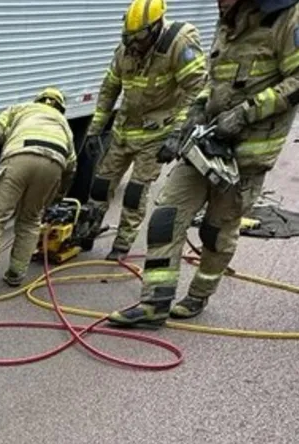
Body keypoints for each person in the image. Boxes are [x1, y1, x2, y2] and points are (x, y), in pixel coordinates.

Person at [109, 0, 299, 327]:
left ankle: (198, 295)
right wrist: (195, 113)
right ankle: (154, 304)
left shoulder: (287, 17)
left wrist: (245, 113)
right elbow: (214, 82)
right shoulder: (228, 21)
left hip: (247, 154)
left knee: (216, 231)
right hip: (206, 145)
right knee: (166, 215)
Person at [83, 0, 207, 261]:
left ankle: (122, 245)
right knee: (101, 184)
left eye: (139, 39)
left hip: (156, 135)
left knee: (135, 192)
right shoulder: (126, 49)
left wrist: (177, 134)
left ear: (155, 28)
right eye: (130, 39)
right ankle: (86, 231)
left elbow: (197, 89)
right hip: (124, 130)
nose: (134, 46)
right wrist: (95, 129)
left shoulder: (179, 44)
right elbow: (109, 88)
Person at [0, 88, 77, 298]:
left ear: (38, 100)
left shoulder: (21, 109)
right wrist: (57, 196)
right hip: (54, 164)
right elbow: (71, 168)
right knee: (30, 220)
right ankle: (16, 275)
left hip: (20, 157)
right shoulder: (64, 125)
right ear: (60, 107)